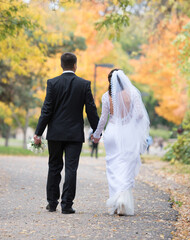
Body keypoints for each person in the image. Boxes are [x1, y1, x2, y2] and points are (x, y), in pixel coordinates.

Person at [34, 52, 99, 214]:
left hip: (55, 133)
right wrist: (96, 131)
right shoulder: (84, 84)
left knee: (54, 167)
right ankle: (67, 204)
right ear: (75, 65)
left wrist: (38, 133)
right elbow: (91, 110)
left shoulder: (53, 83)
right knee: (71, 168)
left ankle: (52, 203)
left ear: (61, 65)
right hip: (74, 135)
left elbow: (46, 110)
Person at [92, 69, 150, 216]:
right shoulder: (133, 93)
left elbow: (103, 119)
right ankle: (122, 201)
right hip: (127, 133)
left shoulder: (107, 96)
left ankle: (116, 203)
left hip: (112, 133)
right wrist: (130, 123)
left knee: (113, 167)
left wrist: (97, 134)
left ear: (110, 81)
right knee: (126, 165)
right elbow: (139, 115)